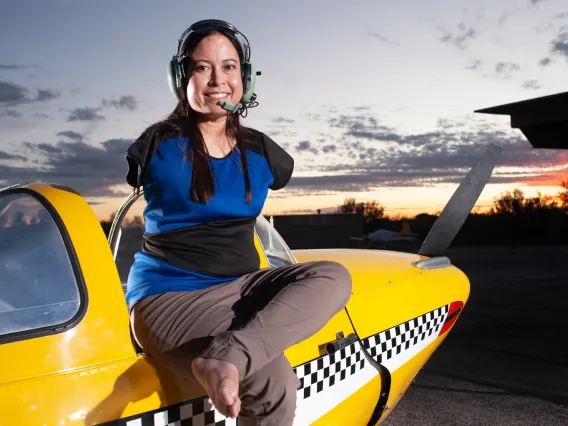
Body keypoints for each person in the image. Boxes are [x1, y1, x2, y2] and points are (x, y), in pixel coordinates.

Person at [124, 19, 352, 425]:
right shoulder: (157, 145)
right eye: (202, 67)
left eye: (229, 67)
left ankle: (225, 357)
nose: (217, 80)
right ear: (181, 77)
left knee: (335, 277)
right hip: (172, 297)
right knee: (274, 382)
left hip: (245, 286)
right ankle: (224, 361)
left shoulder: (262, 151)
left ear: (244, 77)